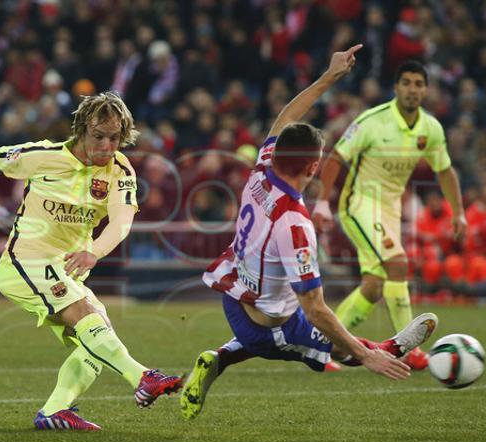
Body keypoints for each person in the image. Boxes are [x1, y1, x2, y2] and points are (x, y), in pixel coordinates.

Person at [180, 46, 438, 420]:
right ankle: (388, 348)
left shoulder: (261, 171)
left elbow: (286, 117)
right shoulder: (295, 224)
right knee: (341, 350)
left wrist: (329, 76)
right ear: (315, 166)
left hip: (234, 295)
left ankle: (218, 359)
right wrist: (366, 357)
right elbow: (315, 310)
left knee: (300, 321)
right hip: (267, 328)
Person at [0, 91, 182, 431]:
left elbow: (123, 221)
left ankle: (55, 410)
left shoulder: (120, 169)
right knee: (87, 317)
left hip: (65, 271)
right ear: (81, 130)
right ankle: (143, 377)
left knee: (98, 336)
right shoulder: (45, 155)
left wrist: (93, 251)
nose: (107, 147)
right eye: (99, 137)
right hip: (24, 261)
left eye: (115, 138)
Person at [312, 60, 466, 370]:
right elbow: (335, 158)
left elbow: (445, 170)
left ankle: (321, 345)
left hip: (390, 211)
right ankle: (409, 350)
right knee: (397, 265)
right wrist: (322, 203)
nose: (412, 89)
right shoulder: (372, 121)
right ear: (396, 88)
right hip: (359, 204)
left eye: (418, 84)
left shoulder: (430, 128)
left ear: (426, 89)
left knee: (373, 286)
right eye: (406, 83)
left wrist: (458, 213)